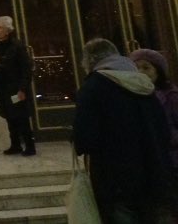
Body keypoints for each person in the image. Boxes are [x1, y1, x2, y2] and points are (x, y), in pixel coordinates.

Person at [74, 38, 174, 223]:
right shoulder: (143, 84)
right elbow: (163, 130)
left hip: (115, 178)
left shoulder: (93, 87)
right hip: (154, 172)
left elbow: (84, 139)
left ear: (90, 60)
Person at [0, 16, 35, 156]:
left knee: (21, 116)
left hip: (15, 88)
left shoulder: (17, 46)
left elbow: (26, 69)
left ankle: (29, 146)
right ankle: (15, 145)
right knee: (9, 116)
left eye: (0, 28)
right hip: (0, 87)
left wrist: (23, 88)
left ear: (8, 30)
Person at [130, 48, 178, 177]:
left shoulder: (172, 96)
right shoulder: (133, 97)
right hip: (149, 162)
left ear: (158, 71)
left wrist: (165, 137)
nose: (141, 72)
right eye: (136, 68)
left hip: (171, 159)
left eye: (146, 68)